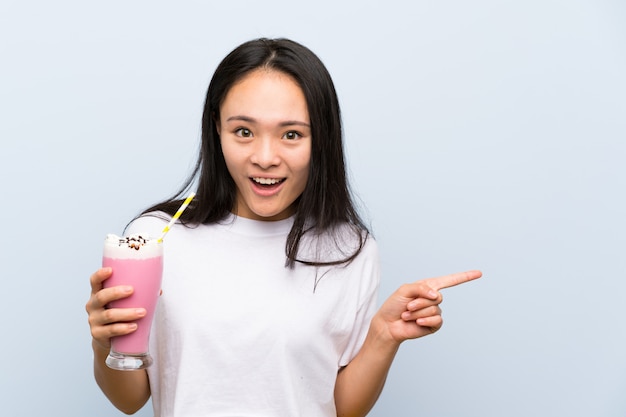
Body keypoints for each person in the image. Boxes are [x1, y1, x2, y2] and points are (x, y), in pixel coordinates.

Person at [86, 37, 481, 417]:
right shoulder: (156, 237)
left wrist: (384, 335)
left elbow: (343, 407)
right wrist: (103, 340)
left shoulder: (351, 249)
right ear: (217, 130)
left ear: (321, 139)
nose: (264, 157)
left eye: (291, 134)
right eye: (243, 131)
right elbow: (129, 399)